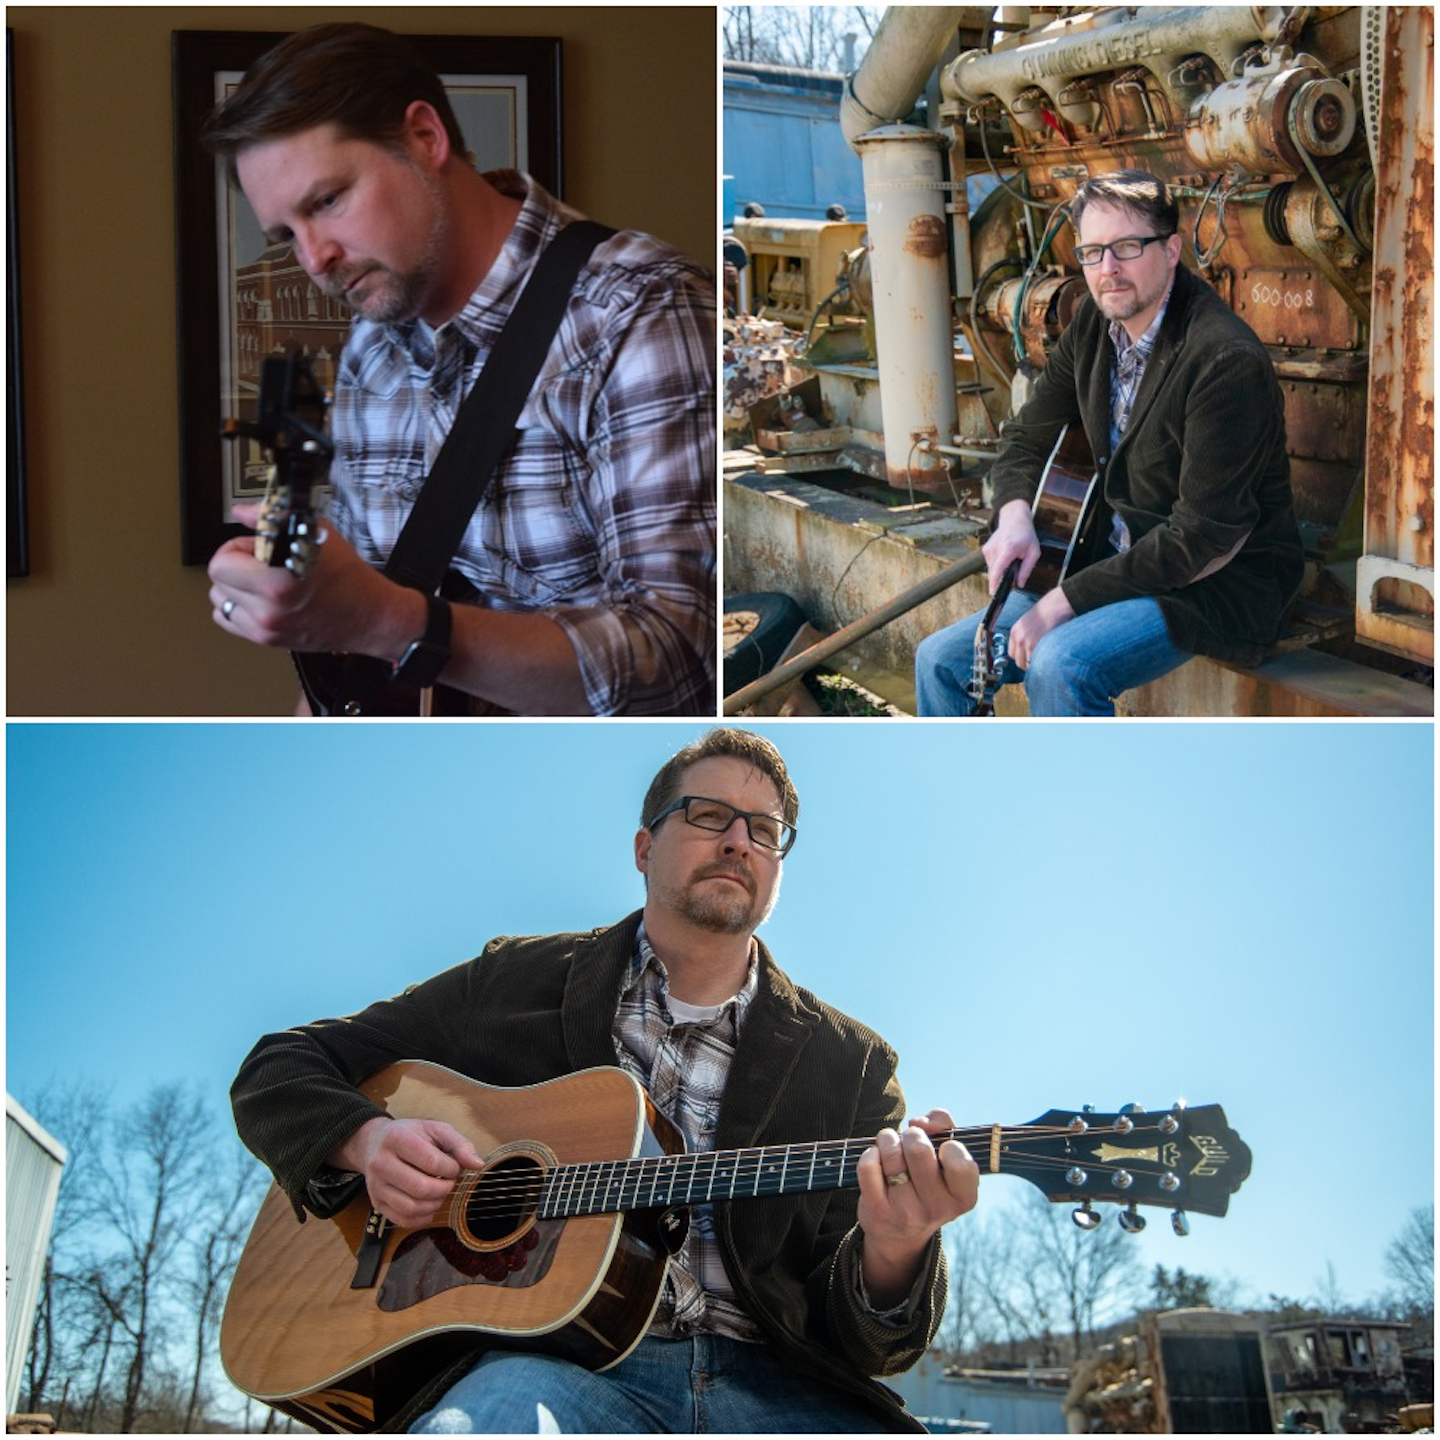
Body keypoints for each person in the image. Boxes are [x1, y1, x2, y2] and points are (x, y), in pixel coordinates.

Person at [230, 727, 979, 1433]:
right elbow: (279, 1067)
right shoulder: (514, 981)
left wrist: (896, 1246)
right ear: (644, 847)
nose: (737, 842)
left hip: (777, 1385)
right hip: (548, 1376)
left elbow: (874, 1344)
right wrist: (367, 1140)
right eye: (710, 814)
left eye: (765, 830)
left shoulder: (852, 1064)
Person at [203, 23, 715, 716]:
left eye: (326, 201)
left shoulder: (639, 309)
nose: (313, 257)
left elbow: (681, 653)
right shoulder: (368, 348)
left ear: (424, 137)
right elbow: (352, 652)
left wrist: (386, 621)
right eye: (286, 234)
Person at [915, 169, 1304, 716]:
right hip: (1104, 559)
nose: (1107, 270)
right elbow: (1028, 437)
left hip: (1209, 584)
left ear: (1171, 251)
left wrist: (1063, 603)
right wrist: (1014, 514)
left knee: (1061, 664)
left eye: (1126, 247)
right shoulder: (1094, 326)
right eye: (1092, 252)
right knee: (938, 661)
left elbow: (1202, 537)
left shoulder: (1223, 360)